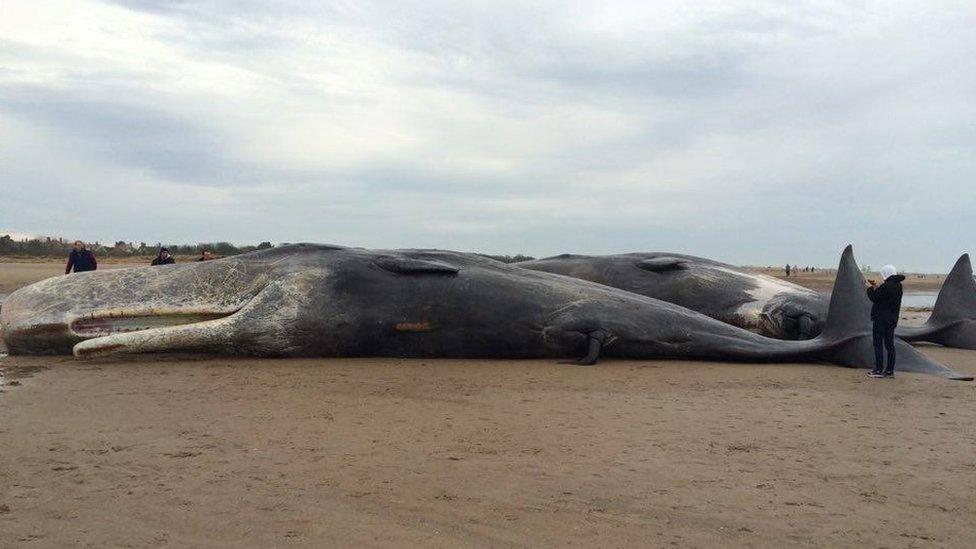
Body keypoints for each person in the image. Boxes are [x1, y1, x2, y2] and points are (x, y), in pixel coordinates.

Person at [866, 264, 905, 378]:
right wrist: (877, 287)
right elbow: (884, 297)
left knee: (878, 344)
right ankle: (889, 371)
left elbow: (874, 297)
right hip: (892, 320)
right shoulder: (898, 286)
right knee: (890, 345)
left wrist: (869, 288)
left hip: (880, 320)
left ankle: (878, 370)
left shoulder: (886, 287)